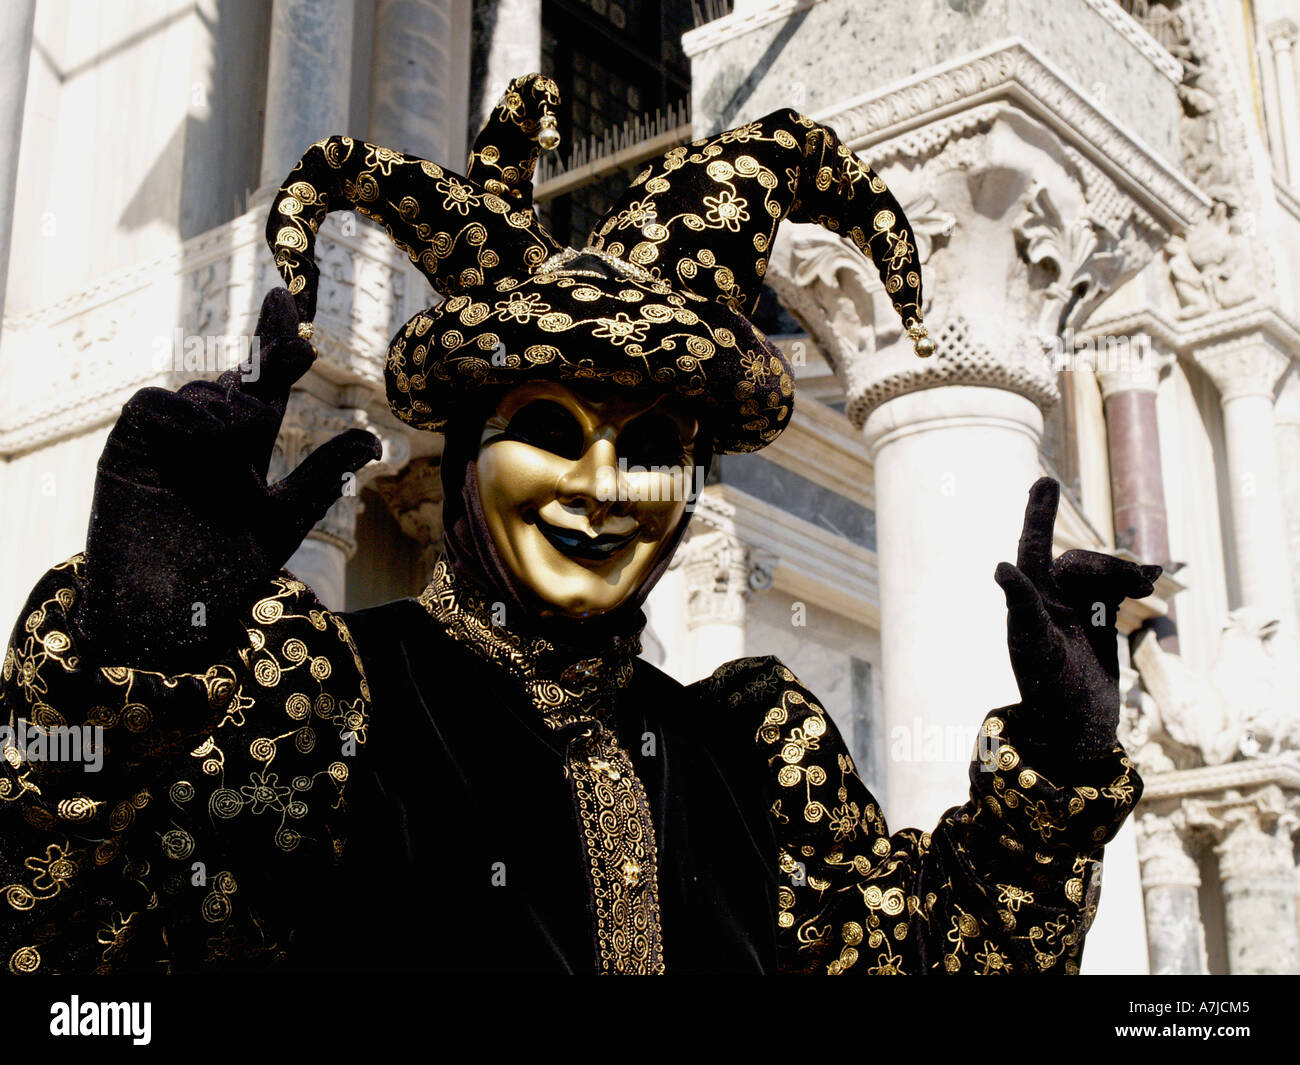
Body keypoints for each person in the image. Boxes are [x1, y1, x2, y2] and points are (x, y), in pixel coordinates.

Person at [0, 75, 1158, 975]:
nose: (602, 485)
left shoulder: (749, 759)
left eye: (651, 448)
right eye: (550, 430)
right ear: (463, 457)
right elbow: (81, 965)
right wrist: (122, 680)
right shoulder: (329, 711)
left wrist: (1056, 772)